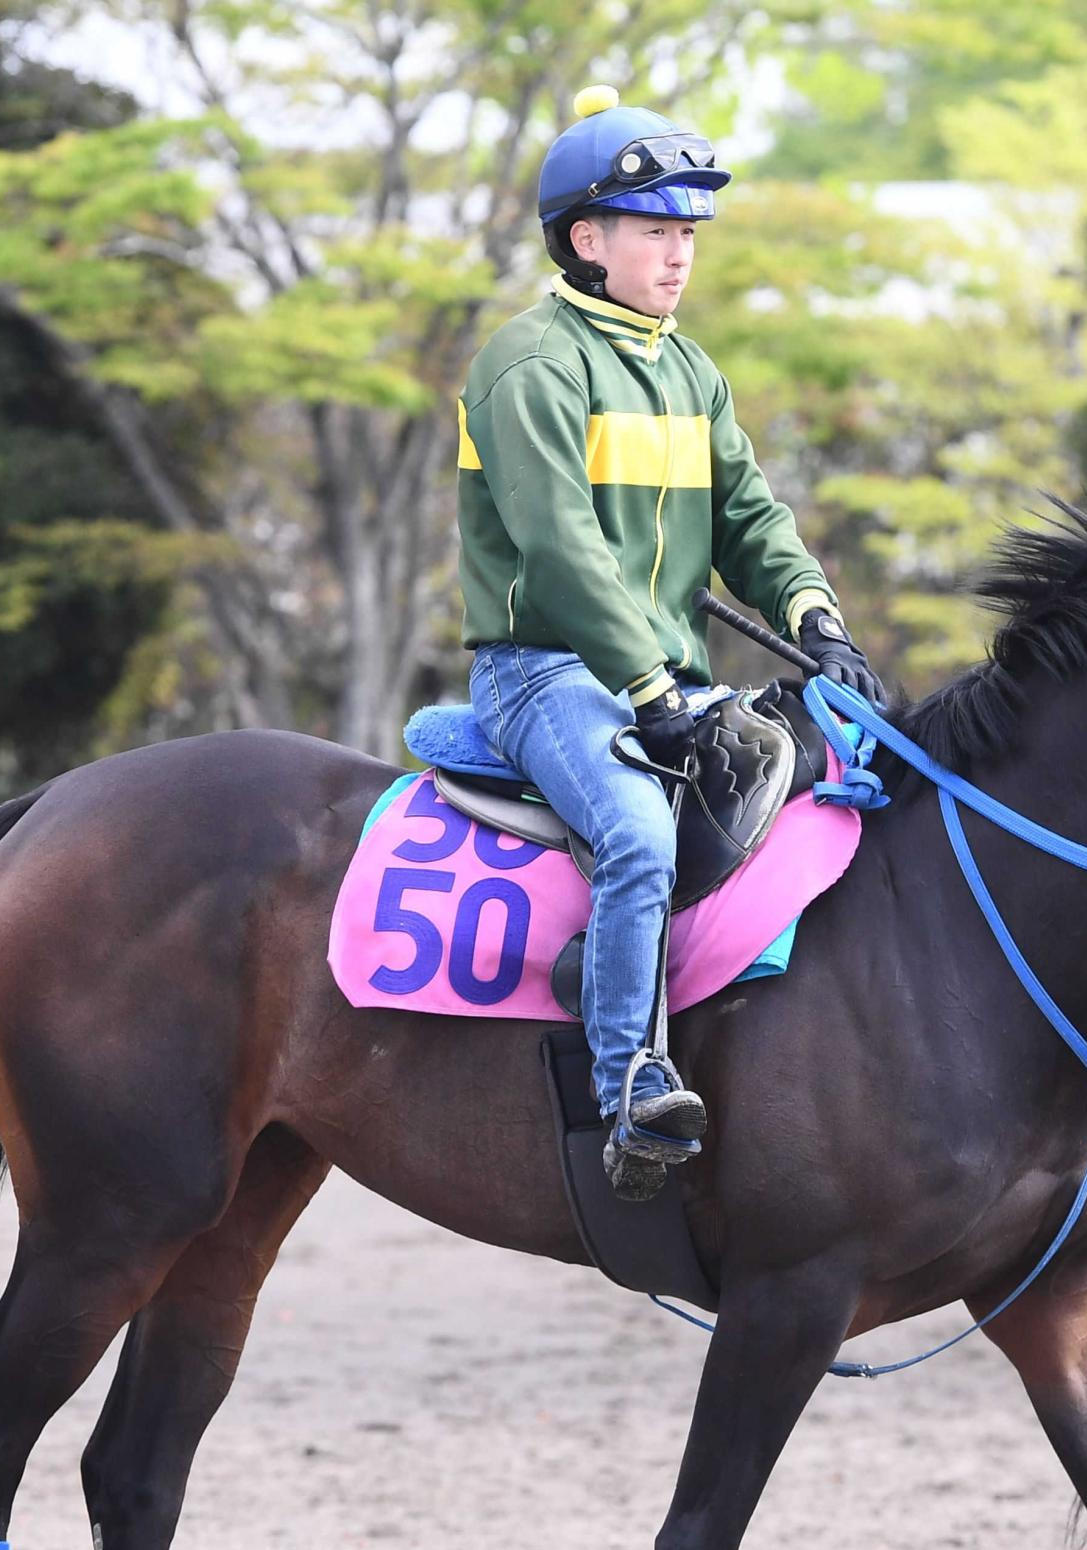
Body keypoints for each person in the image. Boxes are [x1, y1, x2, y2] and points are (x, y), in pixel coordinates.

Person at [456, 84, 881, 1197]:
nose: (679, 253)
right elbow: (560, 553)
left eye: (689, 230)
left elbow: (752, 519)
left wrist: (816, 621)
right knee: (641, 838)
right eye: (654, 229)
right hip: (544, 673)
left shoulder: (691, 371)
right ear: (586, 241)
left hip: (667, 681)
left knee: (837, 786)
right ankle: (629, 1088)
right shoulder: (529, 363)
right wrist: (648, 688)